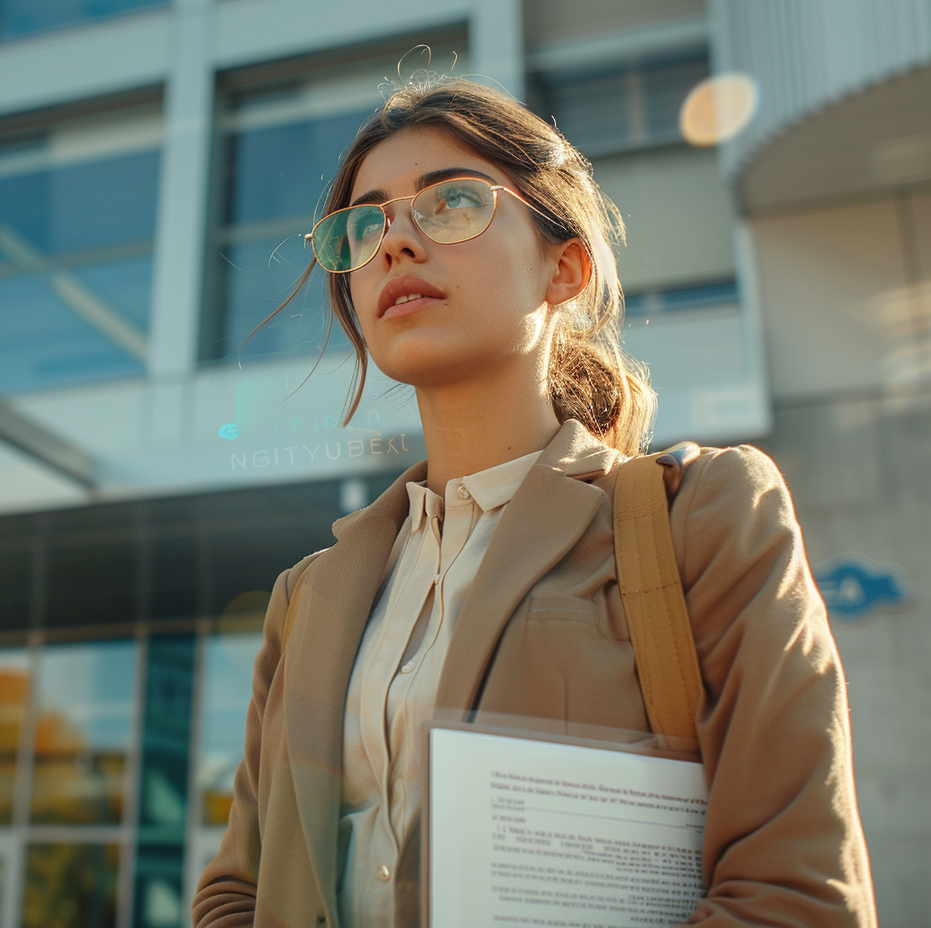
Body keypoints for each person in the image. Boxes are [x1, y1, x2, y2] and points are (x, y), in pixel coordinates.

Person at [192, 77, 876, 928]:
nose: (394, 243)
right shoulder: (308, 597)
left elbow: (797, 900)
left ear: (565, 265)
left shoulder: (704, 518)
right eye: (364, 224)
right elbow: (235, 892)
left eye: (451, 205)